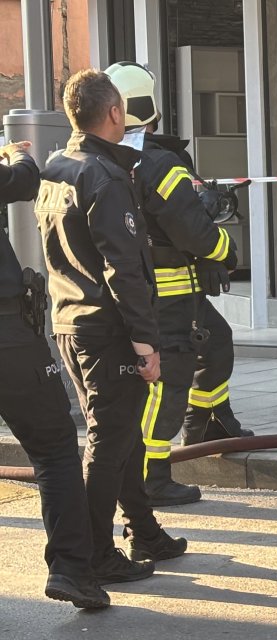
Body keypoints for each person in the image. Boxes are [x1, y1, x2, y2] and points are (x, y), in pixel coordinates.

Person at [36, 68, 187, 585]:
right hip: (107, 329)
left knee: (121, 437)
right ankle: (97, 553)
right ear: (116, 113)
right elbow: (123, 267)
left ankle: (144, 532)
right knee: (111, 438)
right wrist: (147, 342)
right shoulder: (103, 175)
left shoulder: (57, 166)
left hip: (68, 323)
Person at [105, 61, 245, 510]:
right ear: (149, 105)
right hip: (166, 295)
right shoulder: (155, 161)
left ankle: (209, 423)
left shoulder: (100, 157)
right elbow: (195, 230)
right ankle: (152, 475)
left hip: (148, 289)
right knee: (169, 380)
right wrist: (224, 252)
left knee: (217, 342)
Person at [1, 141, 110, 609]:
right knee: (54, 449)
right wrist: (14, 156)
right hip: (7, 337)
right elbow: (23, 179)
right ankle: (71, 569)